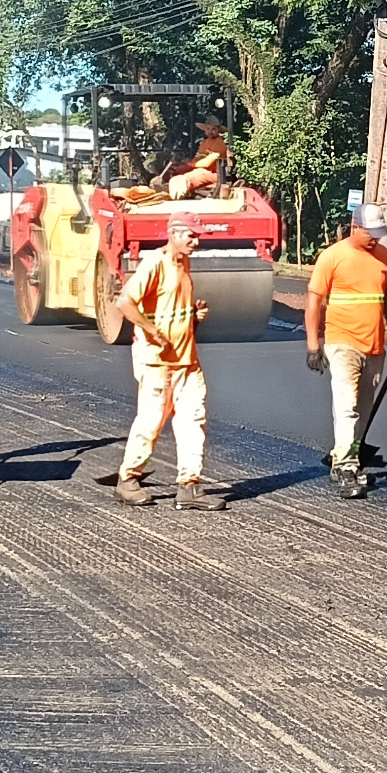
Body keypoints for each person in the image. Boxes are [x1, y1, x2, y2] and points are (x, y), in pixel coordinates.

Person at [114, 220, 223, 511]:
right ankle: (128, 480)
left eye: (198, 236)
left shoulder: (183, 264)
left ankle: (189, 487)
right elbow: (124, 302)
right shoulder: (156, 263)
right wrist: (150, 331)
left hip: (187, 360)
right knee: (151, 421)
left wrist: (194, 317)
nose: (196, 242)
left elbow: (171, 309)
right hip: (157, 361)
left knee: (193, 421)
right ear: (173, 234)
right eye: (190, 236)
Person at [304, 203, 387, 483]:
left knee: (364, 407)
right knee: (347, 406)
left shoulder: (383, 256)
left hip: (374, 346)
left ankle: (345, 455)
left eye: (379, 234)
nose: (376, 239)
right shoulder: (333, 256)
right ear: (355, 227)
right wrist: (313, 344)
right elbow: (314, 300)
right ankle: (347, 467)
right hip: (342, 341)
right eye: (371, 233)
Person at [164, 121, 229, 201]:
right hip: (201, 170)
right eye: (208, 128)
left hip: (215, 175)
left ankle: (181, 188)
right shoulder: (204, 143)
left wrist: (190, 164)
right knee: (178, 169)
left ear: (218, 130)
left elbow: (206, 163)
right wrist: (182, 165)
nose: (210, 131)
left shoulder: (219, 144)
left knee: (198, 173)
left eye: (213, 129)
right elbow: (197, 159)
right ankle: (167, 184)